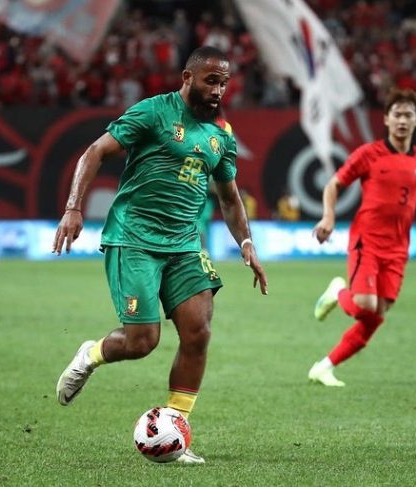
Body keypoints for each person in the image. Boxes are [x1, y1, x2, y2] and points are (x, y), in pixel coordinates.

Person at [51, 46, 268, 464]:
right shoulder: (154, 112)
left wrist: (246, 243)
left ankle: (174, 430)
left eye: (224, 83)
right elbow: (95, 152)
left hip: (184, 244)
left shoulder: (222, 135)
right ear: (188, 77)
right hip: (134, 238)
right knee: (142, 341)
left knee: (198, 331)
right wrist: (74, 208)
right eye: (211, 80)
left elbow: (229, 197)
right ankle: (90, 355)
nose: (218, 90)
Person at [308, 88, 416, 387]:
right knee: (365, 305)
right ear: (386, 119)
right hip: (367, 240)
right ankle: (338, 292)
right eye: (397, 114)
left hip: (398, 249)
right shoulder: (368, 154)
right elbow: (333, 185)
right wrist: (328, 217)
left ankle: (324, 367)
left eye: (408, 115)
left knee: (376, 316)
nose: (402, 120)